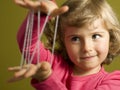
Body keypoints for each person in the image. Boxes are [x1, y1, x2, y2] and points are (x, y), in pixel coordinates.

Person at [8, 0, 120, 90]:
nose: (86, 48)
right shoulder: (53, 65)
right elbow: (29, 47)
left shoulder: (115, 81)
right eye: (75, 39)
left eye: (95, 36)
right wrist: (41, 14)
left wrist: (47, 79)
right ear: (63, 41)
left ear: (111, 38)